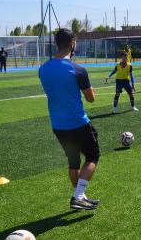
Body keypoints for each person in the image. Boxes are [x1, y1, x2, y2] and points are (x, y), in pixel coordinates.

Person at [38, 28, 100, 211]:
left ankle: (79, 196)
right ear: (72, 43)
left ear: (56, 43)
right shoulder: (78, 70)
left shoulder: (42, 69)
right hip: (78, 123)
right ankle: (78, 196)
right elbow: (91, 98)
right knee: (92, 156)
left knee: (73, 162)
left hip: (58, 125)